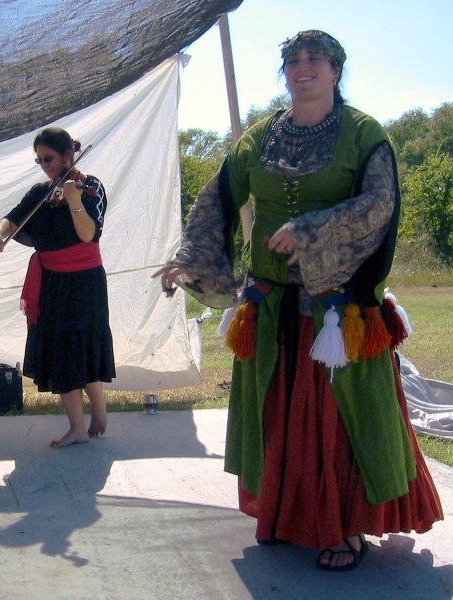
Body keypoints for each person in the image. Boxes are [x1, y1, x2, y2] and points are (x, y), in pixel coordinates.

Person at [154, 30, 443, 571]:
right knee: (277, 418)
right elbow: (217, 199)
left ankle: (344, 526)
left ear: (336, 70)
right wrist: (191, 258)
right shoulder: (258, 139)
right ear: (284, 73)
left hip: (337, 311)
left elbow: (380, 205)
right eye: (292, 61)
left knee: (338, 419)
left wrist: (309, 230)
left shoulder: (364, 134)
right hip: (269, 307)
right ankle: (286, 517)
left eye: (315, 59)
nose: (302, 67)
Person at [0, 127, 115, 448]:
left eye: (50, 159)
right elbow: (13, 218)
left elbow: (88, 234)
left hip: (85, 282)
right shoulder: (39, 193)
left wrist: (73, 200)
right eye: (40, 160)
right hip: (52, 283)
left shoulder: (90, 187)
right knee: (59, 352)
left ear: (68, 156)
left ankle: (98, 408)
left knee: (83, 347)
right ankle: (77, 428)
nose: (45, 166)